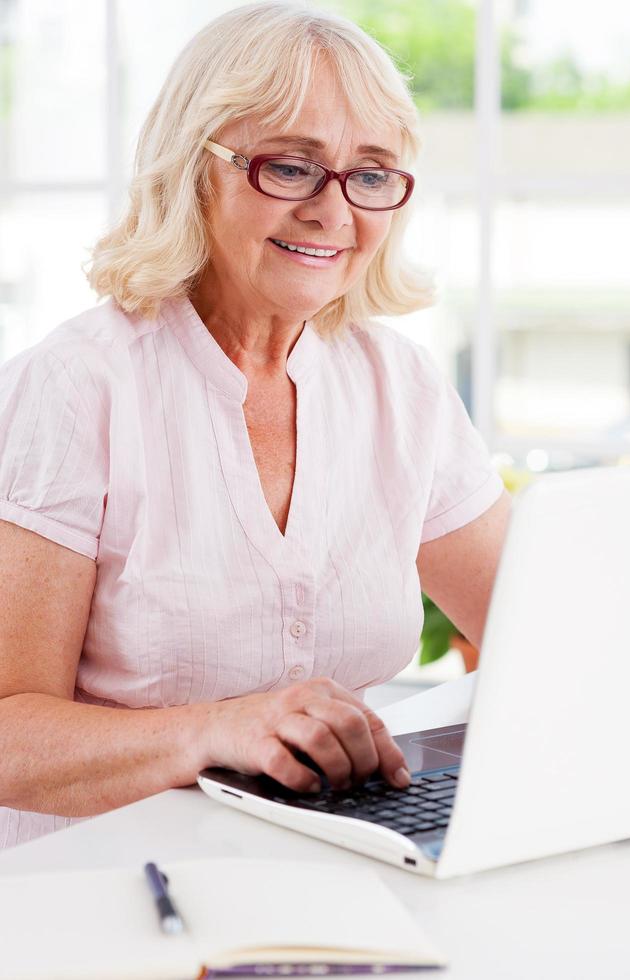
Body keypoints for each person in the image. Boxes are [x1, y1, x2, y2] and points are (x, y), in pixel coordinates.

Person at [0, 1, 510, 849]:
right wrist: (214, 730)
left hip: (334, 868)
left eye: (371, 173)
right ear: (193, 167)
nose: (333, 211)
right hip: (97, 891)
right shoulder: (75, 386)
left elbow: (548, 634)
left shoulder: (403, 387)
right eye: (291, 166)